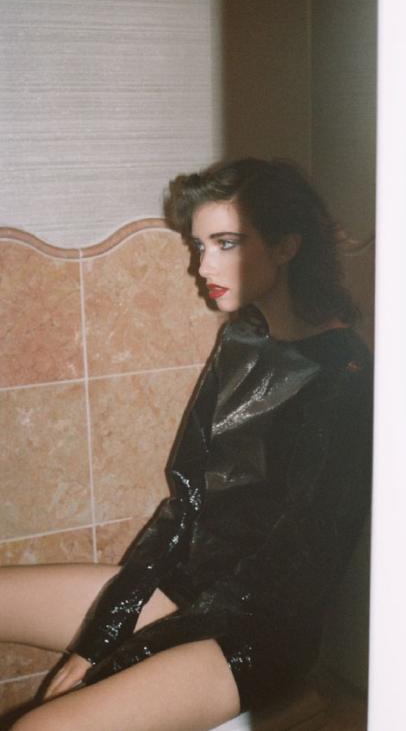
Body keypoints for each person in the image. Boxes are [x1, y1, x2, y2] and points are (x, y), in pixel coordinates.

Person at [0, 158, 373, 731]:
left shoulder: (343, 377)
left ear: (287, 245)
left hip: (257, 630)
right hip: (188, 587)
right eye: (200, 246)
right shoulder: (242, 338)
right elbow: (186, 500)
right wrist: (101, 635)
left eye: (225, 243)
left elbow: (292, 571)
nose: (203, 267)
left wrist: (122, 656)